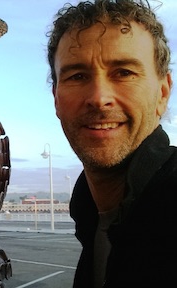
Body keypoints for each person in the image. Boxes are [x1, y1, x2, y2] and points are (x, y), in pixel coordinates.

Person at [47, 0, 176, 287]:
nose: (99, 97)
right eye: (77, 76)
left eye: (124, 73)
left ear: (163, 93)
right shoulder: (89, 216)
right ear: (56, 99)